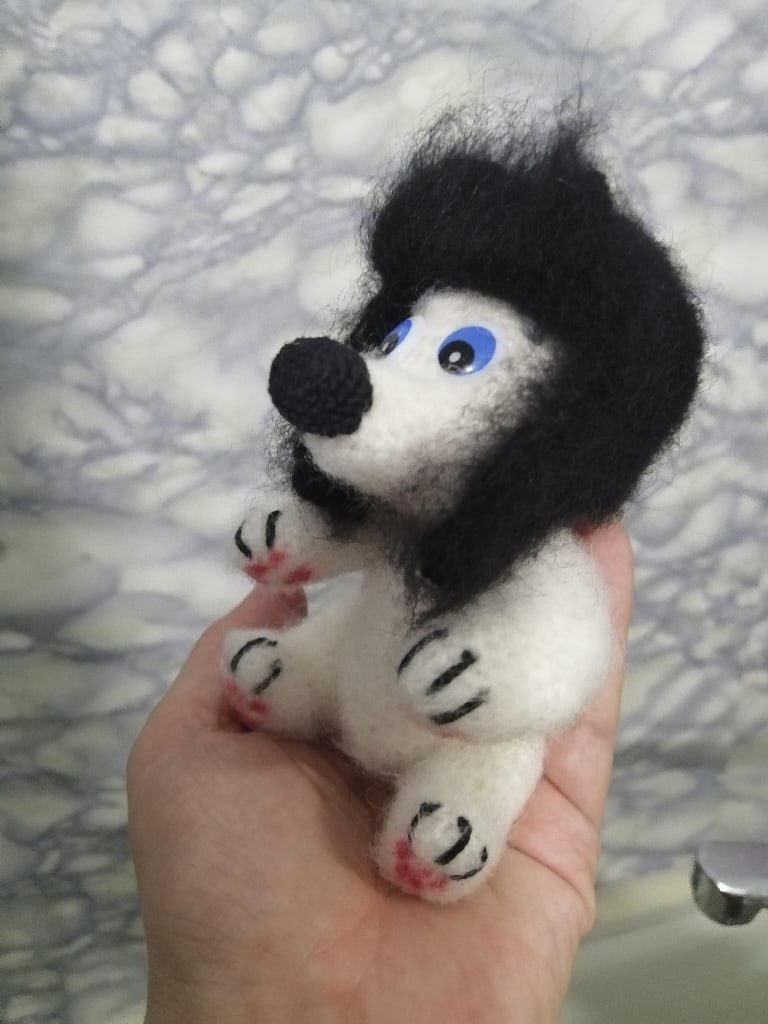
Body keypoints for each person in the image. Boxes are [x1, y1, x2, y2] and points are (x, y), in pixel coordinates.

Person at [128, 523, 632, 1024]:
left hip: (465, 734)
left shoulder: (553, 564)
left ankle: (453, 814)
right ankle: (296, 676)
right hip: (362, 662)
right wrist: (298, 543)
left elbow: (568, 655)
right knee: (346, 630)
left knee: (497, 759)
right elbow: (348, 527)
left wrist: (489, 678)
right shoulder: (406, 513)